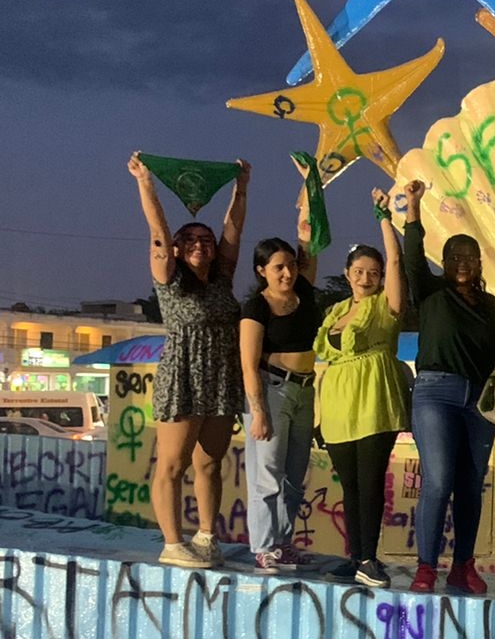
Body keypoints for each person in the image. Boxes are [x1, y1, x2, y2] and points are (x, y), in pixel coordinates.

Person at [128, 152, 249, 570]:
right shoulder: (170, 279)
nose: (201, 245)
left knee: (210, 462)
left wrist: (241, 188)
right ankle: (172, 542)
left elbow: (233, 232)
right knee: (174, 464)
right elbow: (158, 233)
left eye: (206, 240)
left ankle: (207, 535)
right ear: (178, 249)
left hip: (219, 375)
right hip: (183, 374)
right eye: (191, 240)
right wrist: (147, 184)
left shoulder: (221, 279)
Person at [401, 179, 495, 595]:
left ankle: (463, 565)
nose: (464, 262)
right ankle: (426, 567)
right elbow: (411, 261)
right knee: (439, 479)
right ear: (443, 261)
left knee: (470, 484)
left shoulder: (491, 303)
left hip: (478, 400)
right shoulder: (431, 291)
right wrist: (412, 208)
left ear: (480, 263)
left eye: (470, 256)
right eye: (455, 256)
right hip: (435, 393)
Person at [314, 193, 409, 589]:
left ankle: (370, 556)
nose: (366, 277)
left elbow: (398, 262)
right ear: (348, 272)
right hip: (338, 409)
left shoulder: (385, 306)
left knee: (370, 485)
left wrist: (384, 219)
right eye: (359, 270)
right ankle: (356, 556)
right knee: (350, 486)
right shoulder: (335, 311)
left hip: (373, 403)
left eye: (374, 271)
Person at [239, 193, 321, 575]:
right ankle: (264, 545)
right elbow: (249, 363)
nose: (286, 273)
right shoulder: (256, 307)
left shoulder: (303, 292)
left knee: (295, 473)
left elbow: (309, 242)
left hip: (305, 389)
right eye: (277, 268)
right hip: (271, 389)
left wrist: (308, 196)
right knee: (267, 473)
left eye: (289, 266)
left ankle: (284, 542)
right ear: (261, 271)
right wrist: (258, 412)